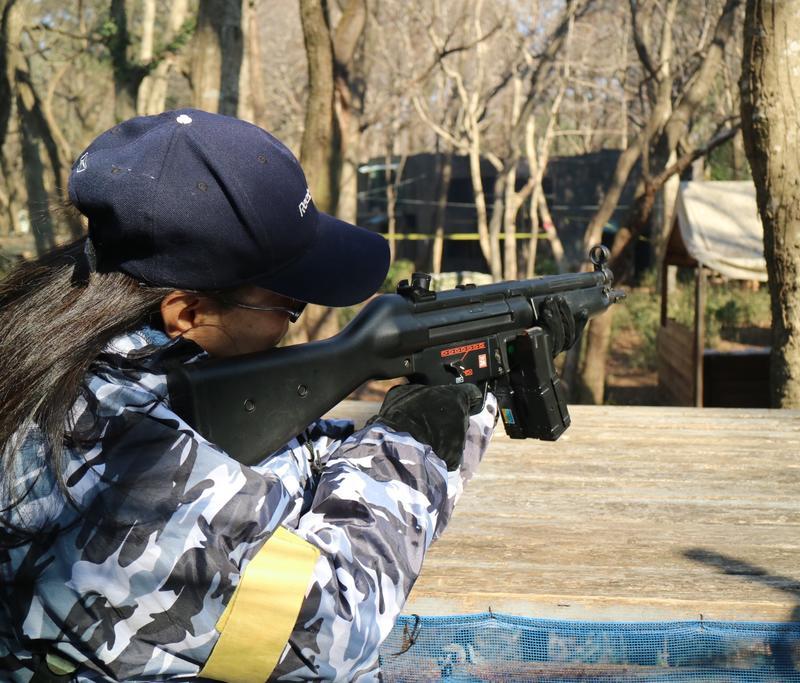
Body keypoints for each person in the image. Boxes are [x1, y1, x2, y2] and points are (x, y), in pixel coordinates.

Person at [0, 109, 499, 682]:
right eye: (290, 306)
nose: (294, 324)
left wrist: (353, 445)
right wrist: (414, 449)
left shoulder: (70, 347)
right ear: (188, 312)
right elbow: (337, 627)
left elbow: (241, 472)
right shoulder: (116, 471)